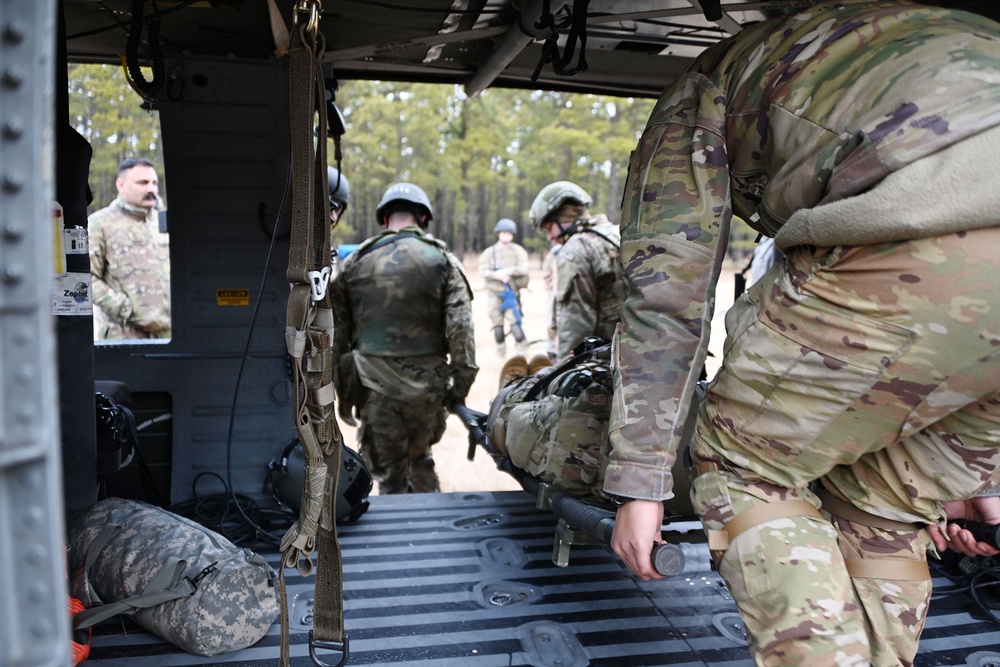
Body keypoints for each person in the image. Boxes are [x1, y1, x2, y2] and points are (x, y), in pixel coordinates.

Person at [606, 2, 1000, 665]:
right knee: (883, 499)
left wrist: (641, 482)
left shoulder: (716, 78)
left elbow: (665, 290)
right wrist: (985, 479)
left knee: (745, 464)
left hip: (945, 234)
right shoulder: (947, 31)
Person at [330, 182, 478, 494]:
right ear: (423, 217)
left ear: (385, 219)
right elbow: (461, 330)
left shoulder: (355, 261)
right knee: (420, 459)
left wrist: (343, 391)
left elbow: (337, 334)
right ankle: (432, 533)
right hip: (427, 390)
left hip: (373, 388)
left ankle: (392, 532)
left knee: (387, 474)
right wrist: (459, 388)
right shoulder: (442, 260)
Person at [528, 181, 626, 360]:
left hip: (601, 362)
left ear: (564, 215)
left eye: (549, 226)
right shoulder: (618, 233)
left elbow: (575, 328)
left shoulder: (575, 250)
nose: (549, 236)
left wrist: (563, 373)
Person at [89, 157, 171, 340]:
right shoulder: (100, 224)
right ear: (121, 185)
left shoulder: (163, 222)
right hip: (124, 338)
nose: (151, 189)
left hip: (170, 336)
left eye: (154, 183)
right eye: (143, 183)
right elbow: (87, 278)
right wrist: (125, 308)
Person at [478, 218, 530, 357]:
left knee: (515, 324)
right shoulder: (490, 252)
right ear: (498, 234)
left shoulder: (518, 251)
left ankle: (522, 352)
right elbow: (482, 270)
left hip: (511, 293)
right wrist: (496, 275)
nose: (506, 235)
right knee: (498, 327)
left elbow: (524, 268)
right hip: (494, 294)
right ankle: (500, 354)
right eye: (503, 233)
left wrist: (508, 272)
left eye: (509, 233)